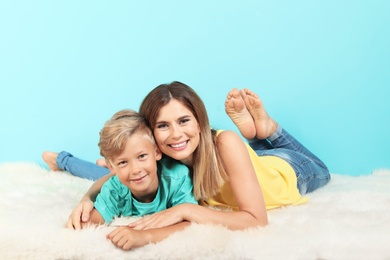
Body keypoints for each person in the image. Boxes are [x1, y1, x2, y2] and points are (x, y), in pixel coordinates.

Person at [43, 81, 330, 249]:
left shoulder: (224, 143)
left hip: (286, 174)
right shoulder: (161, 158)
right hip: (246, 165)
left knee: (322, 169)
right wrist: (86, 197)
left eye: (184, 121)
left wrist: (185, 210)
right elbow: (112, 178)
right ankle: (63, 160)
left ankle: (268, 131)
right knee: (121, 174)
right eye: (163, 126)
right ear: (152, 137)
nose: (176, 134)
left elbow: (256, 220)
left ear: (200, 121)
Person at [65, 108, 198, 247]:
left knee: (97, 173)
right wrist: (82, 217)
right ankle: (62, 160)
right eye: (123, 162)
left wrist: (145, 236)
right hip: (113, 175)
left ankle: (69, 160)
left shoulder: (177, 178)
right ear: (113, 167)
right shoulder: (115, 188)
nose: (135, 170)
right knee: (95, 173)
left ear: (157, 152)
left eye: (142, 156)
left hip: (125, 173)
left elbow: (189, 223)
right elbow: (90, 222)